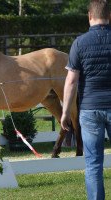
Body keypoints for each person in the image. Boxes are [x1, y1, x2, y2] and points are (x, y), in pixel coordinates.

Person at [61, 0, 111, 199]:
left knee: (93, 163)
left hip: (89, 110)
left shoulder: (79, 43)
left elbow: (71, 81)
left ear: (90, 16)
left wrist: (65, 112)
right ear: (110, 16)